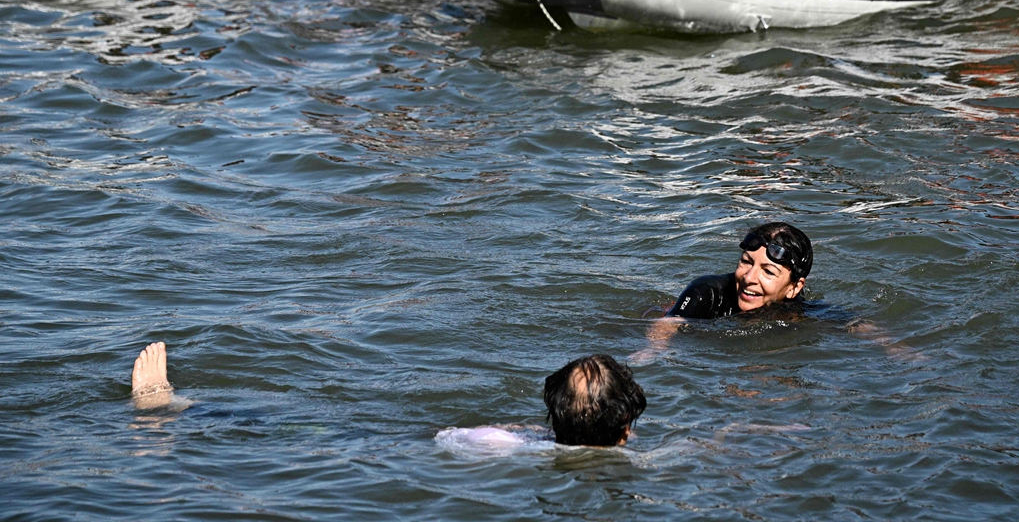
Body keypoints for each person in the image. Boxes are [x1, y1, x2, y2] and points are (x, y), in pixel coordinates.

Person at [128, 344, 646, 449]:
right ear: (624, 428)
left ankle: (172, 409)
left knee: (291, 428)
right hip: (405, 446)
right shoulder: (633, 464)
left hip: (396, 444)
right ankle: (172, 410)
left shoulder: (511, 442)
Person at [631, 222, 814, 363]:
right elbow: (668, 324)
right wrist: (653, 349)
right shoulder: (706, 292)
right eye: (746, 262)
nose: (749, 278)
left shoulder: (797, 312)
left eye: (768, 271)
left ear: (794, 288)